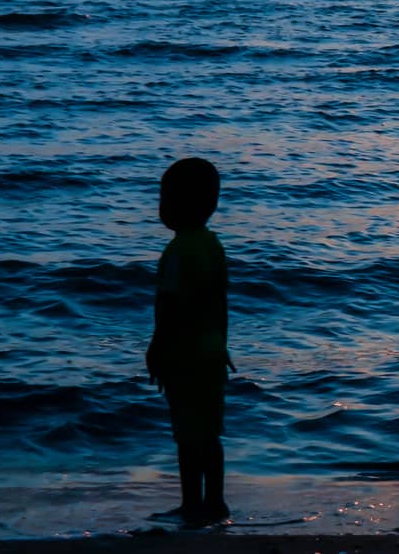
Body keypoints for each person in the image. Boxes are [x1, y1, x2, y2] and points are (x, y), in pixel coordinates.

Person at [146, 157, 233, 526]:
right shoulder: (212, 246)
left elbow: (170, 307)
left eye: (165, 199)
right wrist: (221, 346)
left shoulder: (178, 251)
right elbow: (219, 303)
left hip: (184, 357)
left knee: (186, 436)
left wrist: (156, 349)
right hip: (212, 354)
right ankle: (214, 501)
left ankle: (190, 503)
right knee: (210, 435)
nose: (161, 207)